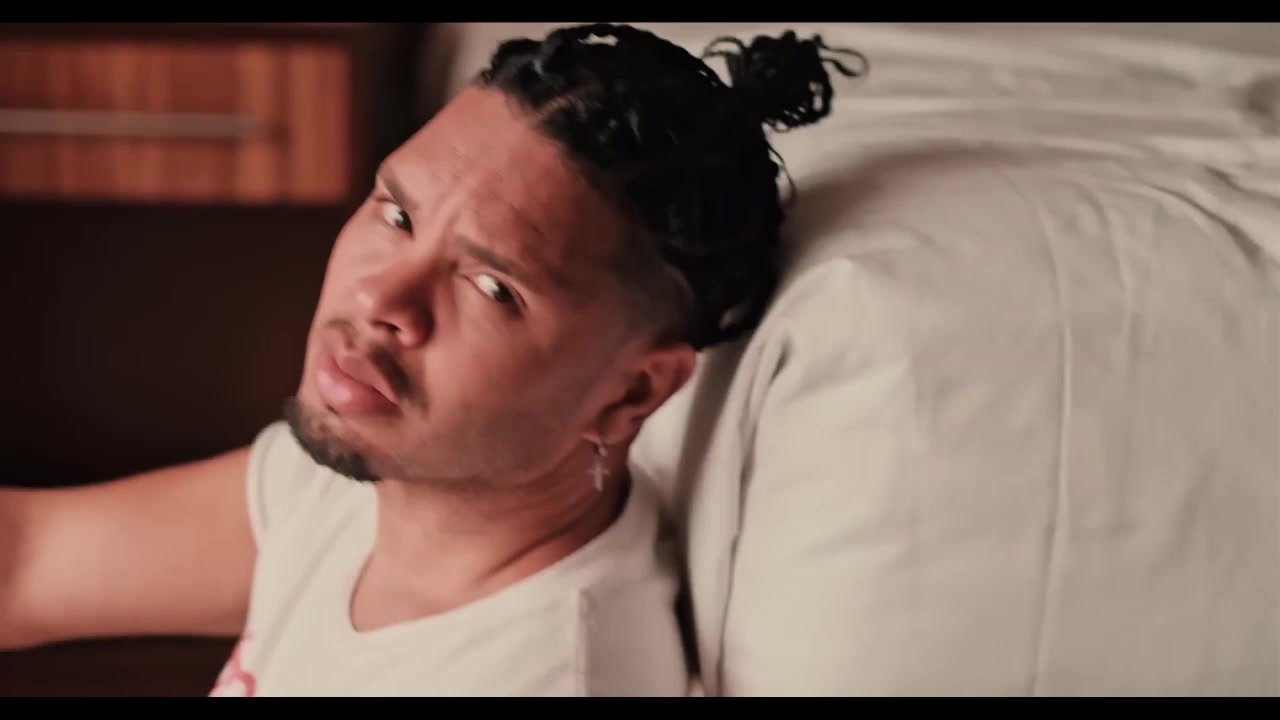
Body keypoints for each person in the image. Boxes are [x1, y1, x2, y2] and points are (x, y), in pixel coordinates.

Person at [0, 23, 861, 696]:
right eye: (397, 215)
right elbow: (26, 561)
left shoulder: (535, 675)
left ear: (631, 393)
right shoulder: (388, 474)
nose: (382, 300)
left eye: (492, 288)